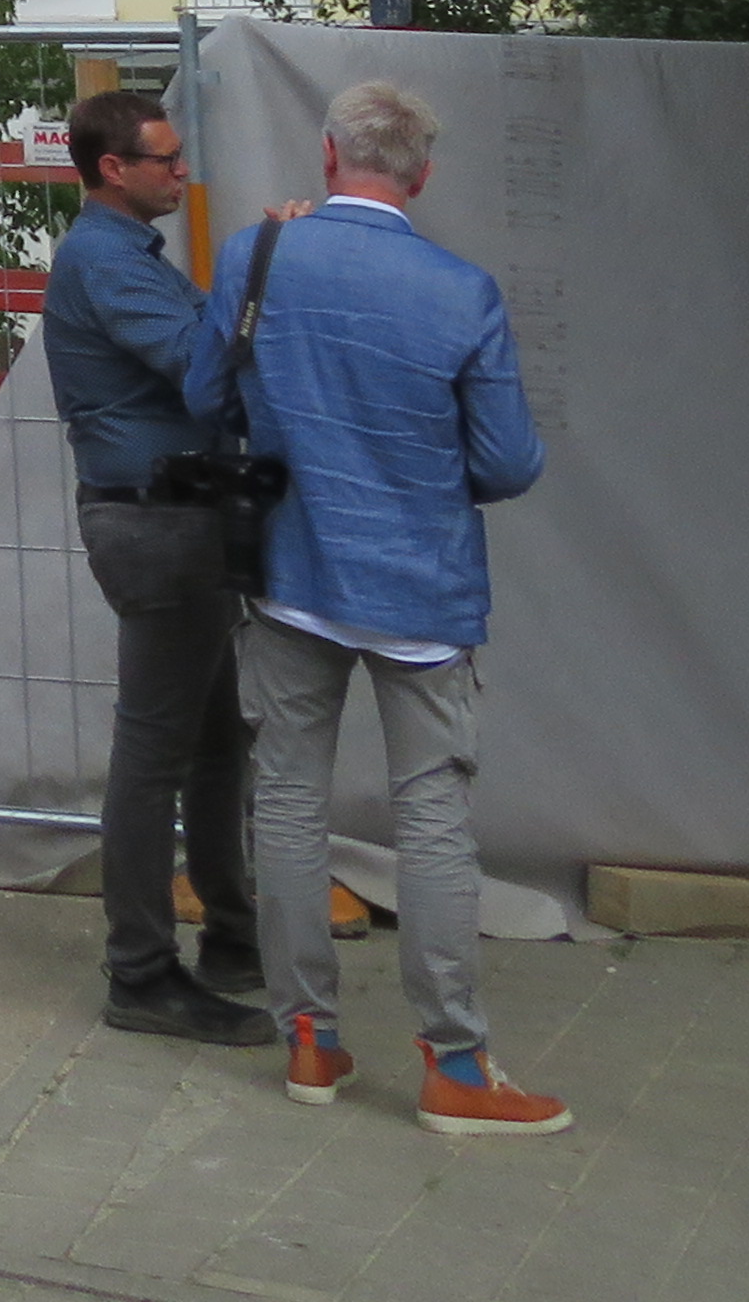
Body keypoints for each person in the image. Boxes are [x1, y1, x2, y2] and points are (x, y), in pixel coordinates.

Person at [180, 76, 565, 1137]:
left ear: (328, 156)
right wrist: (425, 486)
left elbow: (208, 402)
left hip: (293, 577)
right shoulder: (464, 293)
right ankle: (455, 1066)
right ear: (422, 175)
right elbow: (510, 461)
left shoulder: (258, 259)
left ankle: (309, 1041)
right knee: (433, 817)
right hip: (423, 589)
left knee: (292, 804)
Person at [41, 86, 265, 1045]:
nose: (182, 172)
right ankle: (139, 974)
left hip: (180, 519)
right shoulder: (105, 261)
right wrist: (265, 272)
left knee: (217, 741)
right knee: (153, 753)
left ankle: (234, 935)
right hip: (156, 527)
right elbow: (202, 364)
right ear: (111, 171)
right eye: (165, 160)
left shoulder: (131, 254)